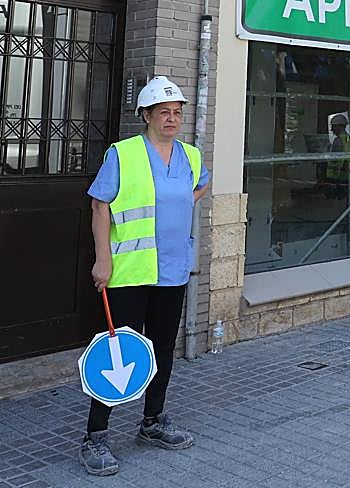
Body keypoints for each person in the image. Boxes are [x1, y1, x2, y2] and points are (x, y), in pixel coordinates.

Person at [80, 76, 210, 476]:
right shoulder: (124, 153)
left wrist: (177, 207)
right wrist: (103, 260)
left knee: (163, 351)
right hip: (129, 272)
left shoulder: (191, 155)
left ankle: (152, 422)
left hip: (172, 271)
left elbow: (201, 187)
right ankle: (95, 437)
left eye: (177, 112)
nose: (172, 118)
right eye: (163, 112)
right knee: (117, 356)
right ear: (146, 115)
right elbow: (99, 206)